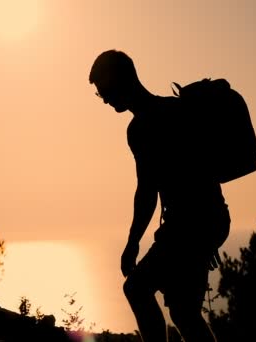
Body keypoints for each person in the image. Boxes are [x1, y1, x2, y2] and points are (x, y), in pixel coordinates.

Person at [88, 49, 230, 342]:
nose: (103, 99)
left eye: (103, 90)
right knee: (184, 313)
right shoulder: (175, 110)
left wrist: (132, 242)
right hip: (205, 219)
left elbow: (147, 191)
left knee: (137, 289)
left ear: (118, 79)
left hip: (190, 225)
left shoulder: (141, 127)